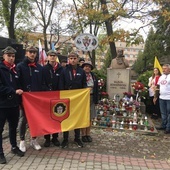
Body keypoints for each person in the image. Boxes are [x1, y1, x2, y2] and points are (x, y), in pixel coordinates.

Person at [17, 46, 44, 152]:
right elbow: (17, 82)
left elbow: (42, 83)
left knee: (36, 119)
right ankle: (22, 140)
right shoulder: (20, 66)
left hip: (36, 99)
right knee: (23, 119)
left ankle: (34, 139)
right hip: (25, 98)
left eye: (34, 52)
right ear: (26, 53)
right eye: (30, 52)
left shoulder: (40, 67)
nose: (32, 54)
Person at [0, 46, 24, 164]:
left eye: (13, 56)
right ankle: (0, 154)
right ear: (3, 56)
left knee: (13, 128)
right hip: (2, 105)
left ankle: (14, 147)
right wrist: (13, 91)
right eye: (8, 55)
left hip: (14, 104)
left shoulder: (15, 69)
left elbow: (19, 84)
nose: (11, 58)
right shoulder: (1, 69)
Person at [59, 52, 87, 148]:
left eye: (74, 58)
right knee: (66, 118)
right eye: (71, 58)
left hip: (78, 99)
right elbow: (61, 84)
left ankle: (77, 138)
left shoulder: (81, 71)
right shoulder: (64, 70)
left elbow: (84, 85)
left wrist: (85, 93)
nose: (73, 60)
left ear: (78, 59)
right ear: (68, 59)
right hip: (67, 98)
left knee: (77, 118)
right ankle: (65, 139)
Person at [42, 50, 63, 147]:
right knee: (47, 117)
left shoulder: (61, 69)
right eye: (51, 55)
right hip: (47, 96)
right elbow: (42, 82)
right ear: (48, 57)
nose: (53, 57)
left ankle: (55, 137)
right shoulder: (44, 69)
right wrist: (47, 89)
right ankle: (47, 138)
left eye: (54, 56)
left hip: (57, 96)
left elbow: (63, 82)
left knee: (56, 117)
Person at [81, 61, 98, 142]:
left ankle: (88, 134)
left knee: (90, 117)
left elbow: (97, 88)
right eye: (85, 66)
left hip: (91, 97)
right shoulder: (80, 75)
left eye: (89, 66)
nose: (87, 68)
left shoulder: (93, 76)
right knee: (84, 116)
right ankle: (83, 134)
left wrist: (96, 100)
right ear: (83, 67)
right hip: (83, 98)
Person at [154, 64, 170, 134]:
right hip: (161, 98)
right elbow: (158, 87)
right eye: (163, 68)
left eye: (165, 68)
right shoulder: (161, 77)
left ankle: (168, 127)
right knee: (163, 113)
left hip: (169, 98)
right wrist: (155, 96)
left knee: (169, 113)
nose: (163, 70)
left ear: (169, 69)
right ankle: (163, 125)